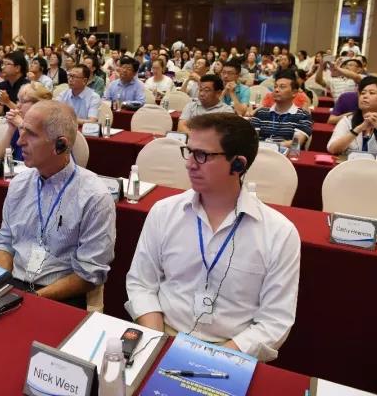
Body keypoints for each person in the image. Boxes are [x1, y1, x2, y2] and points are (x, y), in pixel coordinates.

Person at [125, 113, 300, 362]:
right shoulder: (164, 212)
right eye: (189, 151)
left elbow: (275, 320)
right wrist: (156, 342)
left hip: (231, 350)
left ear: (238, 165)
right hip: (164, 333)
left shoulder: (279, 233)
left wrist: (214, 358)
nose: (189, 164)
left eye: (202, 155)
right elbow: (142, 284)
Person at [0, 100, 115, 308]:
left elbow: (89, 273)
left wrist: (31, 300)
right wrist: (3, 287)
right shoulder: (19, 183)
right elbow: (4, 242)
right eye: (22, 131)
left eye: (31, 134)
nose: (20, 142)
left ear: (60, 145)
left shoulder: (94, 197)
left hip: (61, 296)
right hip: (12, 287)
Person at [327, 76, 377, 158]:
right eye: (363, 93)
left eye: (372, 93)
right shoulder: (347, 121)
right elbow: (332, 149)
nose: (365, 96)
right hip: (349, 165)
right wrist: (359, 128)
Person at [0, 82, 52, 160]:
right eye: (18, 100)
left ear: (38, 104)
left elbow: (34, 159)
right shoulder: (20, 123)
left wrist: (21, 125)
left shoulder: (48, 127)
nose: (18, 105)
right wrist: (11, 129)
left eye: (23, 101)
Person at [250, 75, 312, 147]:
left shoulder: (303, 116)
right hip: (261, 152)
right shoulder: (261, 113)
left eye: (282, 87)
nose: (276, 90)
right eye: (275, 87)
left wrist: (272, 145)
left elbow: (296, 143)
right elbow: (252, 139)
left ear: (294, 93)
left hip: (286, 153)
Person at [0, 51, 29, 115]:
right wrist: (1, 102)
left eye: (7, 64)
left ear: (17, 68)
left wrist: (7, 102)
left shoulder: (29, 87)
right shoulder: (1, 86)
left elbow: (27, 114)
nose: (2, 67)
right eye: (3, 64)